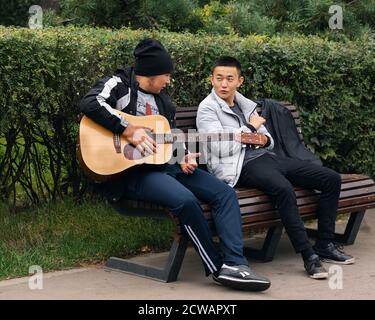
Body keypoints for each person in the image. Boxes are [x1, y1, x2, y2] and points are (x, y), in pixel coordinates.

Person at [79, 40, 271, 291]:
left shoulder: (165, 103)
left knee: (224, 194)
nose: (169, 81)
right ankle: (217, 267)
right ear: (151, 73)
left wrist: (183, 155)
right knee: (186, 200)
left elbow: (170, 136)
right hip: (130, 172)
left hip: (164, 166)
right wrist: (128, 129)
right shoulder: (119, 84)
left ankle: (236, 264)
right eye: (166, 75)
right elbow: (90, 103)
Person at [196, 56, 355, 279]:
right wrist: (251, 129)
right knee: (284, 189)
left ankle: (325, 244)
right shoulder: (207, 109)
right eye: (219, 78)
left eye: (229, 79)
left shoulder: (245, 103)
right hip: (239, 166)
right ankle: (308, 255)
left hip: (267, 158)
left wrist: (255, 137)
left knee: (331, 179)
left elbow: (267, 140)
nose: (223, 84)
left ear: (239, 81)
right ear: (211, 79)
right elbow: (220, 148)